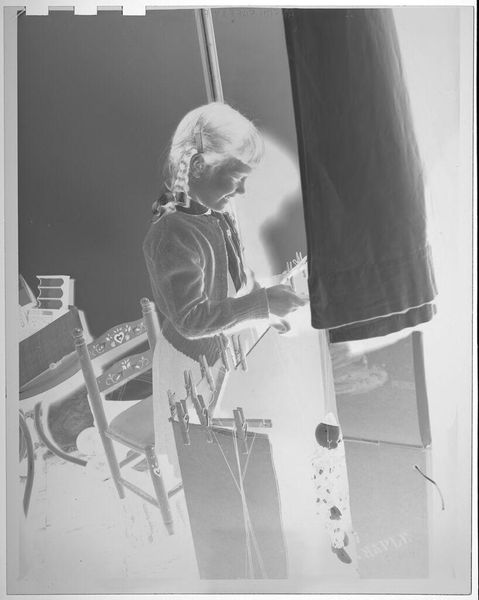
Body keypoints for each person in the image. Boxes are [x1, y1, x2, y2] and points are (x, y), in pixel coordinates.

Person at [143, 102, 306, 365]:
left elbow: (238, 278)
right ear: (198, 167)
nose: (242, 190)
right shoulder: (172, 235)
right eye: (236, 178)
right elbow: (191, 321)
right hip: (193, 361)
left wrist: (265, 311)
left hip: (228, 344)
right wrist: (263, 304)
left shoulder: (217, 213)